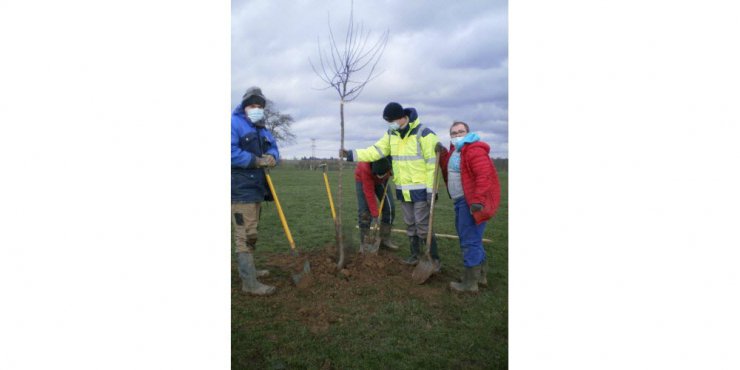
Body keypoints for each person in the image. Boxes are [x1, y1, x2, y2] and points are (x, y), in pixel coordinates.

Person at [340, 102, 442, 272]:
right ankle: (415, 255)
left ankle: (434, 260)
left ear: (401, 117)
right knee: (410, 224)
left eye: (391, 121)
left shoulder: (424, 134)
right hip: (404, 190)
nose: (390, 124)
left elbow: (432, 165)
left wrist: (432, 191)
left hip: (422, 190)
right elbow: (375, 151)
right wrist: (351, 154)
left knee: (423, 226)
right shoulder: (391, 134)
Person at [437, 121, 501, 293]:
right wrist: (443, 154)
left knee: (469, 240)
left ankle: (470, 283)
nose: (457, 135)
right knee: (472, 238)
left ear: (468, 132)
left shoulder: (474, 149)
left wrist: (478, 201)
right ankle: (480, 276)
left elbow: (483, 175)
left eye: (461, 131)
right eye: (454, 133)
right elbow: (451, 169)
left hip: (470, 201)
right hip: (461, 201)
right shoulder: (456, 150)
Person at [231, 86, 280, 296]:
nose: (256, 108)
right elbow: (229, 152)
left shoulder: (262, 128)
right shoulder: (234, 124)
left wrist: (271, 157)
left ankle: (250, 270)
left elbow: (273, 147)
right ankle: (249, 282)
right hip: (241, 188)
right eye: (252, 105)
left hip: (258, 187)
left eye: (260, 106)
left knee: (253, 231)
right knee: (245, 233)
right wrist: (255, 160)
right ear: (244, 106)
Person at [355, 157, 399, 251]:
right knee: (364, 213)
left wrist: (389, 173)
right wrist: (375, 215)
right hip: (362, 179)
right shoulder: (365, 167)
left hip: (382, 181)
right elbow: (369, 194)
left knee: (390, 208)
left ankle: (385, 239)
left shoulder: (389, 159)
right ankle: (364, 243)